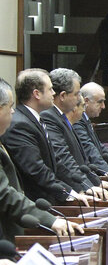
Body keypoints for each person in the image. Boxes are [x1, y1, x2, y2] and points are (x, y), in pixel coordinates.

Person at [0, 78, 83, 242]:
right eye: (10, 107)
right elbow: (5, 194)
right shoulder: (21, 125)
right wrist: (50, 220)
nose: (12, 112)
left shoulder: (38, 120)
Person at [1, 70, 92, 206]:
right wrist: (68, 193)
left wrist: (75, 190)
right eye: (50, 89)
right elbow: (36, 169)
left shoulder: (35, 119)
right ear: (37, 94)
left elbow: (56, 161)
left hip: (47, 200)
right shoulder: (20, 124)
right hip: (34, 205)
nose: (53, 93)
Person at [41, 69, 108, 197]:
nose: (80, 98)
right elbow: (63, 158)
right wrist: (85, 186)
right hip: (61, 192)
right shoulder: (49, 117)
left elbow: (81, 160)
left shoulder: (61, 117)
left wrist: (95, 182)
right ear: (62, 96)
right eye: (77, 94)